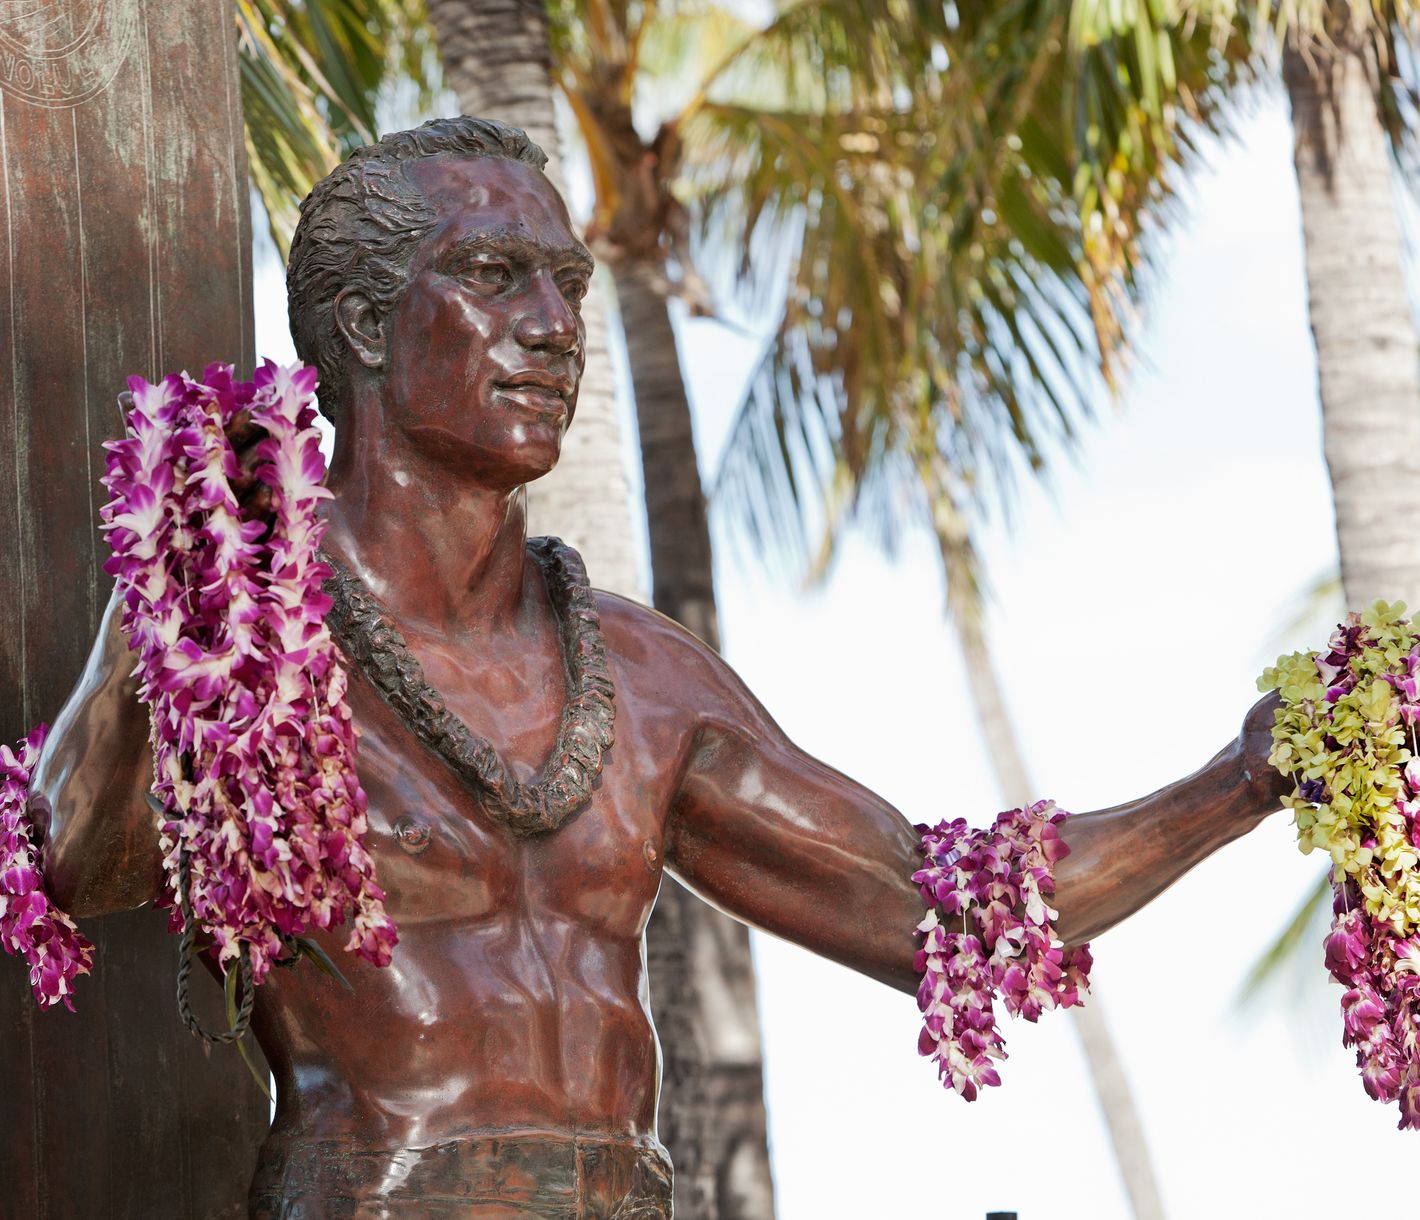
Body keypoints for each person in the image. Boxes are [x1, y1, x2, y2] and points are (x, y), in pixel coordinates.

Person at [32, 117, 1287, 1218]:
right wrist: (177, 560)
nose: (552, 325)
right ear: (364, 321)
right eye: (492, 274)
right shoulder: (251, 645)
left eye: (568, 284)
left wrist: (1240, 778)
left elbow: (932, 913)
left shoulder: (642, 675)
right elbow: (70, 861)